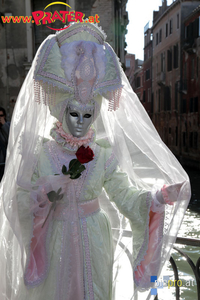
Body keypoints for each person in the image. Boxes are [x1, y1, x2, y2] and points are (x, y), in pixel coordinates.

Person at [0, 23, 190, 300]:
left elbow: (124, 196)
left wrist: (158, 197)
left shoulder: (102, 154)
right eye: (74, 114)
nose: (80, 123)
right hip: (54, 244)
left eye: (87, 115)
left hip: (94, 242)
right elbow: (18, 199)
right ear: (60, 110)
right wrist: (41, 197)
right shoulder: (41, 153)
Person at [0, 107, 10, 181]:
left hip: (6, 161)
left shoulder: (8, 125)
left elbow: (10, 139)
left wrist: (4, 125)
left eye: (1, 115)